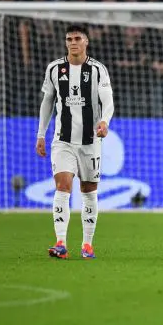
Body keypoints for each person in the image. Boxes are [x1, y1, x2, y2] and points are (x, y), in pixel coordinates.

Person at [36, 25, 114, 259]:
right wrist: (41, 134)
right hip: (63, 140)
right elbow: (47, 102)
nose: (73, 42)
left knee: (89, 191)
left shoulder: (98, 70)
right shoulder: (54, 69)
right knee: (62, 187)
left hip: (90, 141)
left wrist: (104, 121)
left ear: (86, 42)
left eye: (77, 38)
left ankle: (87, 245)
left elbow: (107, 100)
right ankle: (60, 242)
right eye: (69, 39)